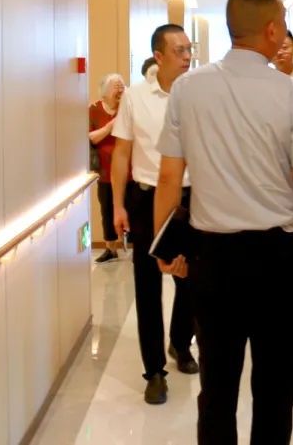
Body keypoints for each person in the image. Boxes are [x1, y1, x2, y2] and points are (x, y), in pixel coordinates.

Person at [154, 0, 293, 445]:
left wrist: (164, 248)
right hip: (278, 257)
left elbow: (169, 177)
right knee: (275, 388)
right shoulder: (292, 93)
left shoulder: (187, 89)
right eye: (284, 22)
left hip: (212, 258)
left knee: (217, 387)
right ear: (271, 29)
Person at [111, 24, 198, 404]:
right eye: (179, 50)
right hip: (146, 199)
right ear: (158, 56)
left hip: (192, 198)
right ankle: (155, 371)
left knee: (191, 278)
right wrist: (118, 205)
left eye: (189, 49)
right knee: (147, 286)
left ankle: (180, 342)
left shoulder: (197, 93)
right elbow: (121, 154)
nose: (187, 56)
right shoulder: (135, 97)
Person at [89, 73, 126, 263]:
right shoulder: (94, 110)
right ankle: (111, 249)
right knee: (107, 210)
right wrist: (110, 126)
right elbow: (91, 137)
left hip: (128, 171)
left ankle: (135, 248)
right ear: (104, 92)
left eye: (122, 87)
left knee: (132, 208)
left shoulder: (128, 108)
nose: (120, 91)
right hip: (104, 172)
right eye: (116, 87)